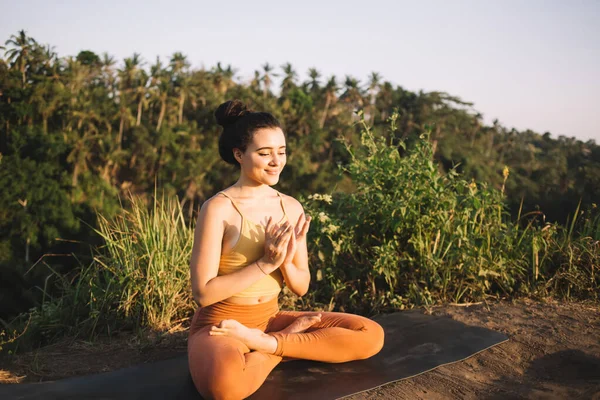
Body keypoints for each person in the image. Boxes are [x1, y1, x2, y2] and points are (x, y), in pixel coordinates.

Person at [188, 100, 385, 400]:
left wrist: (283, 262)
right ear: (239, 154)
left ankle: (269, 344)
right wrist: (266, 263)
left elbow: (301, 286)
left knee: (371, 335)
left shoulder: (290, 206)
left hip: (269, 319)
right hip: (221, 325)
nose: (276, 161)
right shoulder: (218, 208)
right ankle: (284, 343)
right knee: (224, 389)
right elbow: (203, 293)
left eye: (281, 152)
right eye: (264, 153)